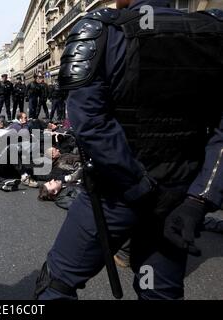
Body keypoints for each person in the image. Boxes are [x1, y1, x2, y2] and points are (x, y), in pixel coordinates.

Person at [35, 1, 223, 301]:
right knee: (159, 291)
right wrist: (198, 200)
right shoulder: (214, 32)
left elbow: (90, 123)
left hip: (117, 193)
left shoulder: (103, 31)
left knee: (57, 282)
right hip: (177, 196)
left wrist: (139, 187)